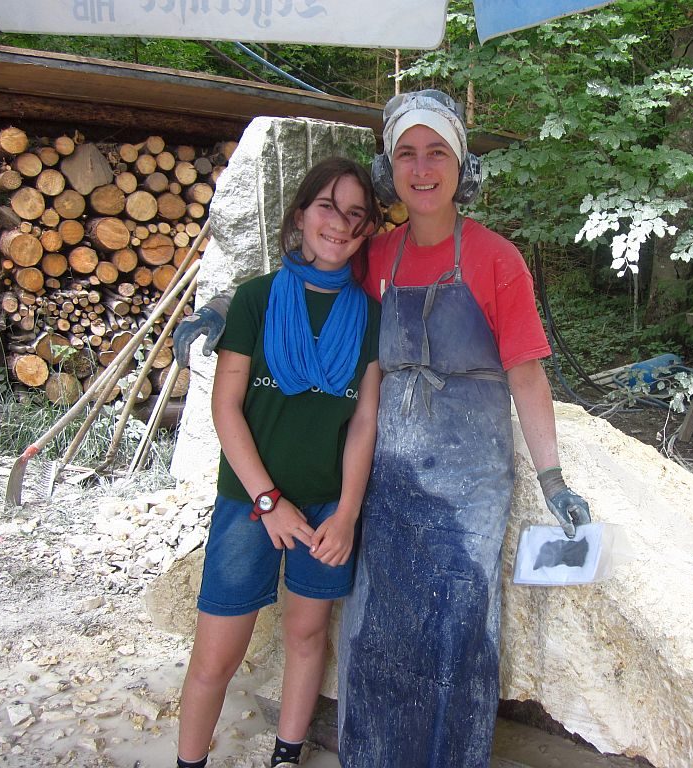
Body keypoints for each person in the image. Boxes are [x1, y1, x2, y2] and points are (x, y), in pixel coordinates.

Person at [173, 90, 590, 767]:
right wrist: (222, 309)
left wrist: (553, 477)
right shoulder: (378, 255)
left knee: (457, 639)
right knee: (377, 635)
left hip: (468, 495)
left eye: (436, 153)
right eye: (406, 154)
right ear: (389, 168)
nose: (421, 169)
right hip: (386, 489)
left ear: (460, 164)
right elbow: (304, 276)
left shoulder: (496, 259)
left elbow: (527, 377)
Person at [174, 157, 382, 768]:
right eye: (327, 207)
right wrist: (268, 500)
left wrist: (346, 513)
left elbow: (364, 421)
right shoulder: (256, 299)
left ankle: (285, 757)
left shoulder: (369, 315)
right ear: (300, 214)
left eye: (355, 215)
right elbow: (226, 406)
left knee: (307, 636)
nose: (339, 224)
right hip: (249, 504)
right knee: (216, 654)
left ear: (367, 229)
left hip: (324, 508)